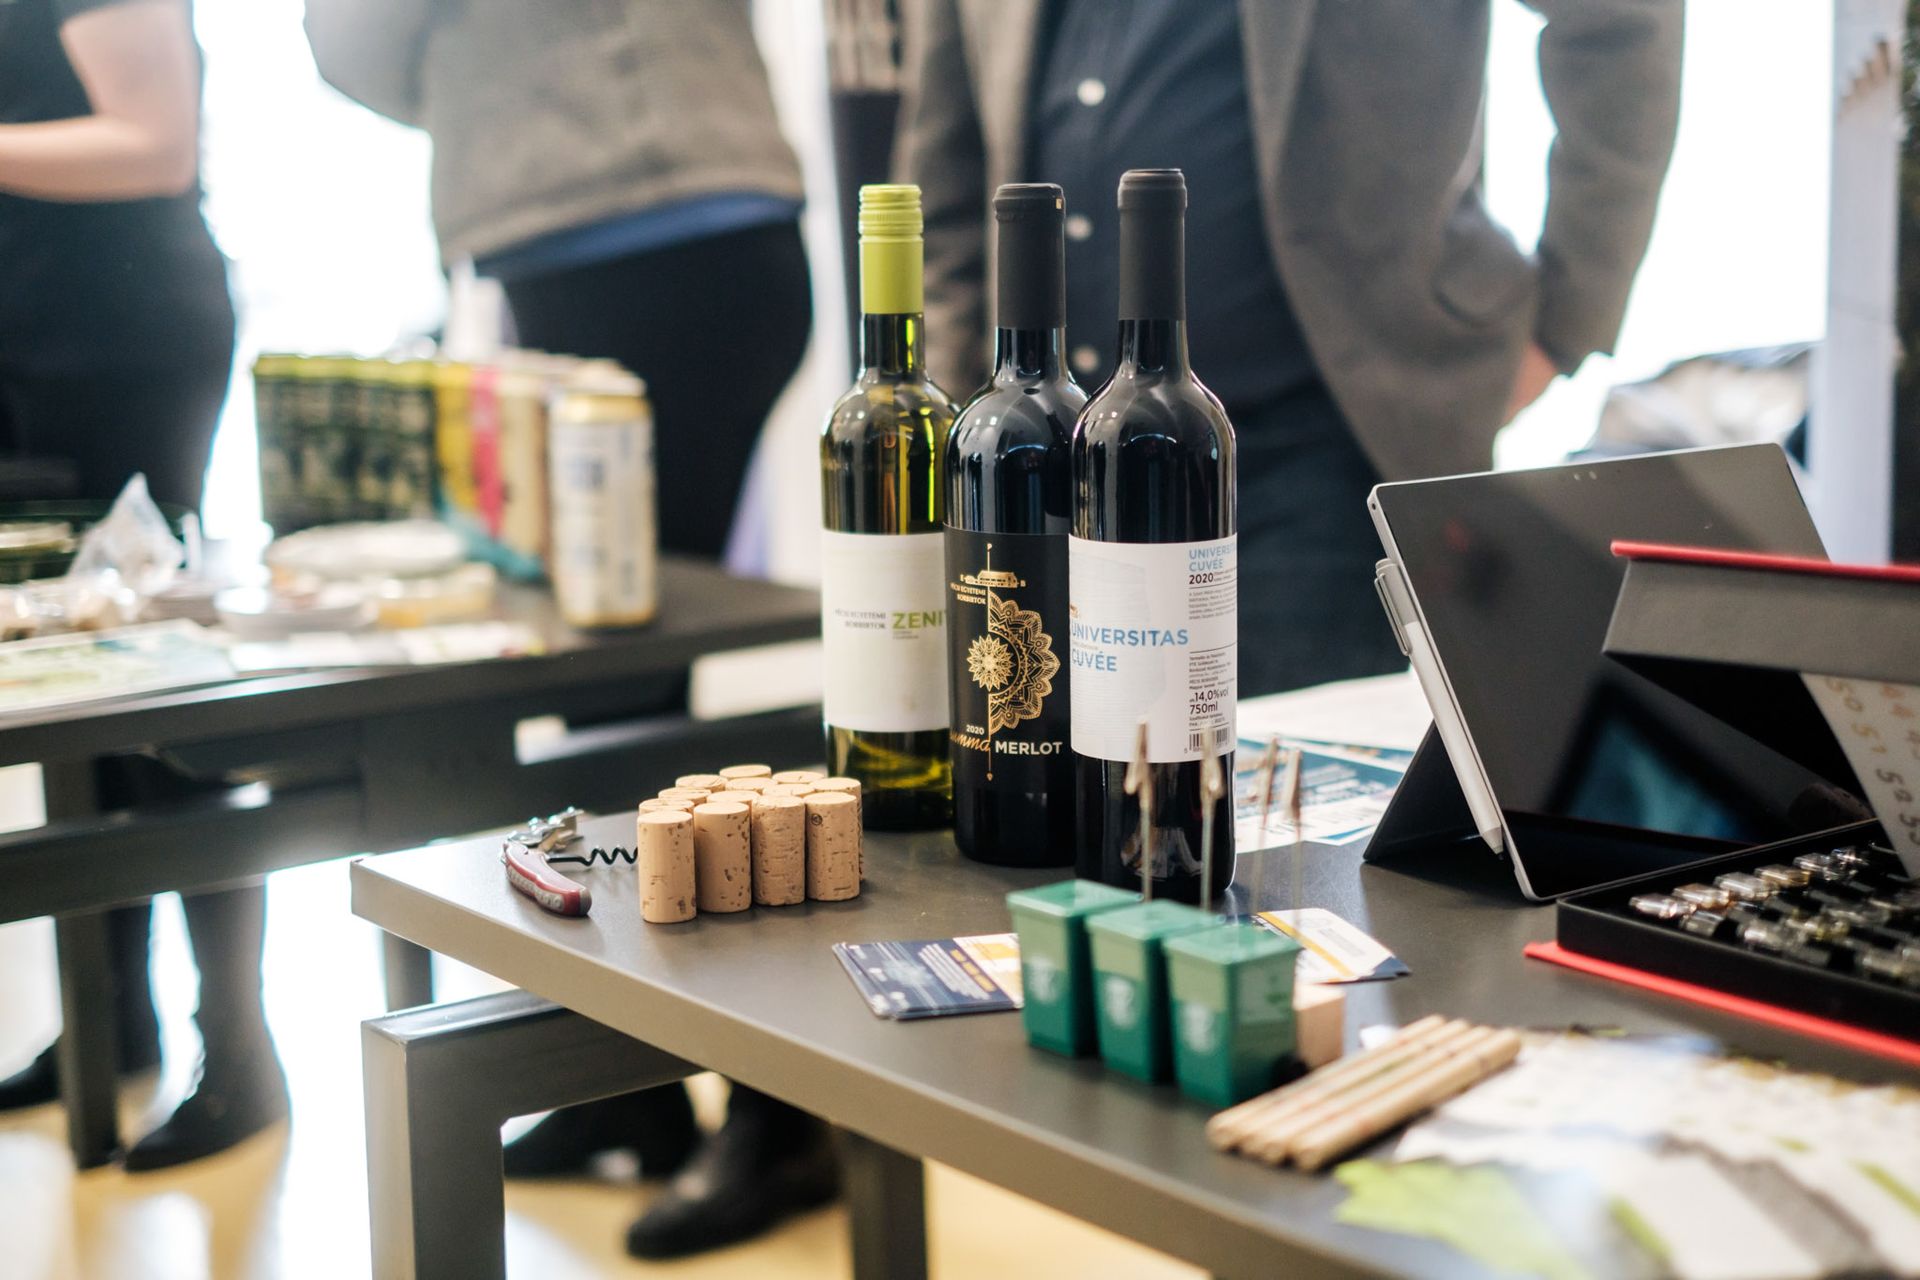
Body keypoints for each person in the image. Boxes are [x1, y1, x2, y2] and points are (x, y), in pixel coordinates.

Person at [304, 2, 835, 1259]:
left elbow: (351, 37)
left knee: (628, 686)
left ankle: (774, 1105)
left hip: (642, 230)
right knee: (615, 687)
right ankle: (633, 1077)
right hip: (632, 227)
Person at [897, 0, 1684, 696]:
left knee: (1295, 805)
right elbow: (947, 162)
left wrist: (1567, 318)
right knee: (1050, 789)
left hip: (1317, 448)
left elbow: (1622, 18)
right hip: (1052, 469)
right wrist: (973, 416)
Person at [0, 0, 285, 1169]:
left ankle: (240, 1049)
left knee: (158, 686)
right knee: (64, 677)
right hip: (28, 332)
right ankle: (110, 1017)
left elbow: (156, 141)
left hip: (117, 332)